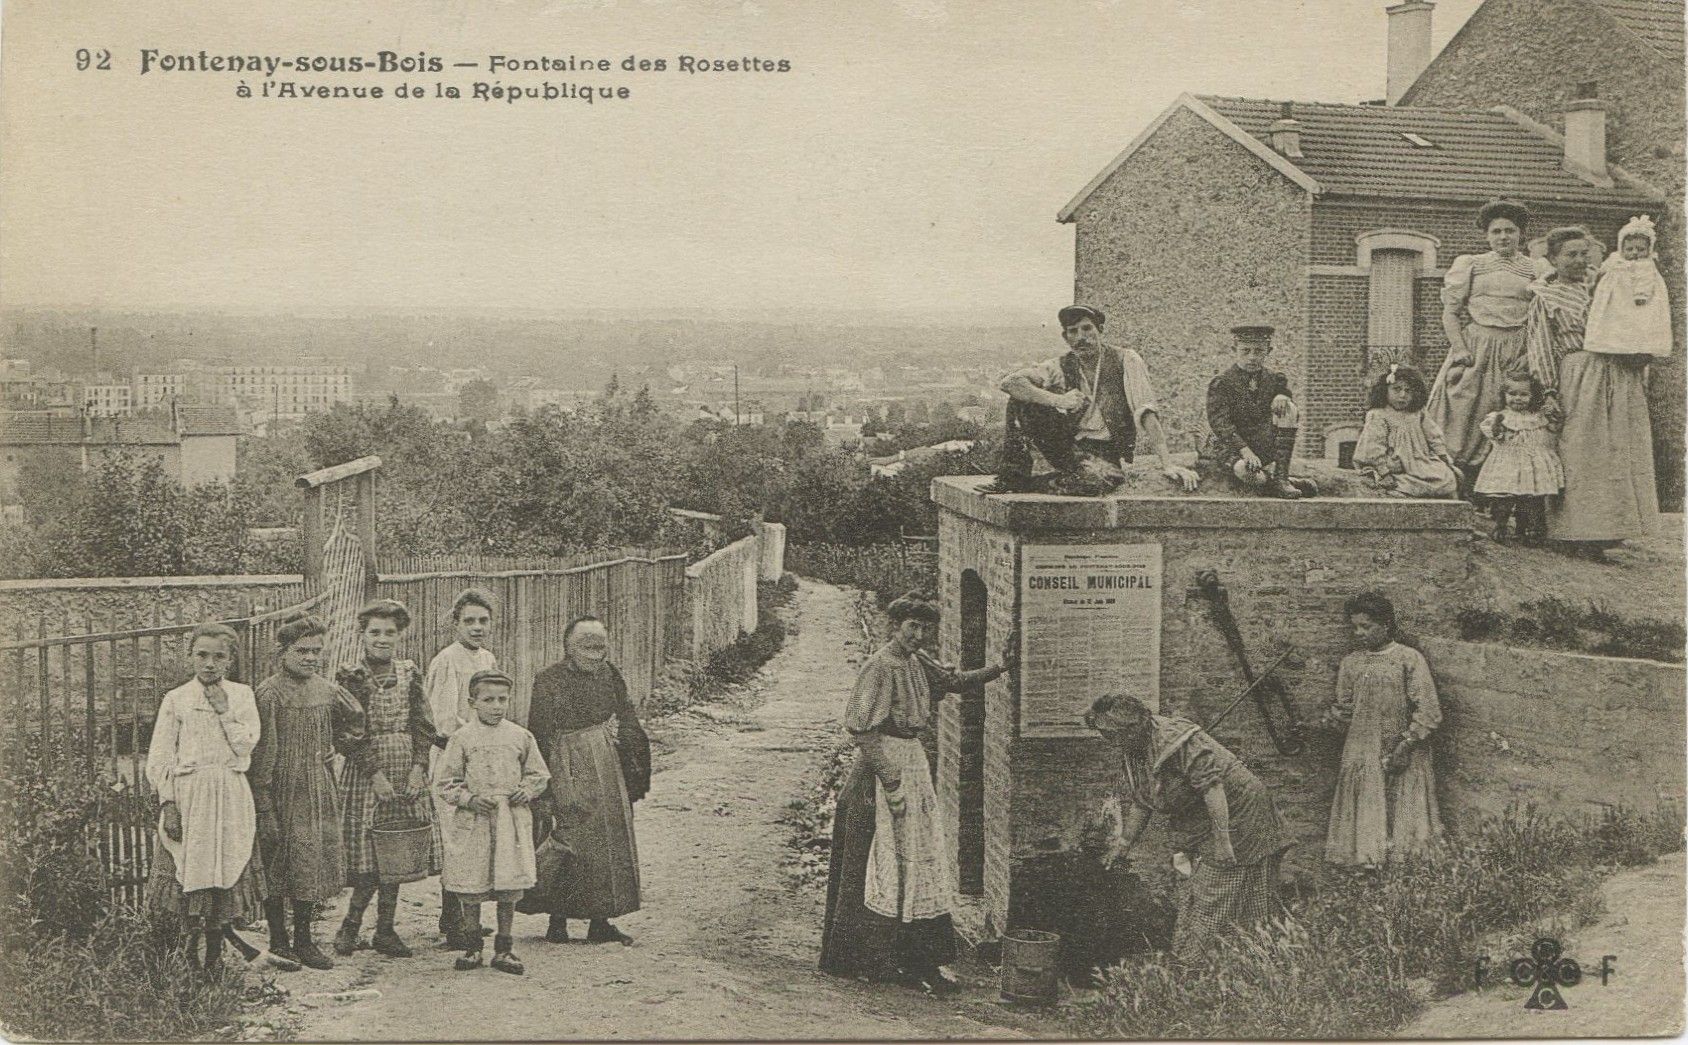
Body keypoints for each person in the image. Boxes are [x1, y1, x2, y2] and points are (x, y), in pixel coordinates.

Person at [819, 594, 1011, 995]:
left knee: (921, 860)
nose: (918, 636)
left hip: (913, 762)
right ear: (895, 625)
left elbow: (954, 682)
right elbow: (861, 731)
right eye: (912, 627)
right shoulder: (880, 666)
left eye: (924, 629)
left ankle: (918, 958)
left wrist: (1000, 667)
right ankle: (872, 959)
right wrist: (890, 781)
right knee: (881, 860)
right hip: (881, 768)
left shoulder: (916, 661)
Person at [1084, 691, 1286, 966]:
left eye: (1110, 734)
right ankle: (1211, 960)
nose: (1108, 741)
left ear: (1131, 728)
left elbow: (1212, 788)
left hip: (1240, 817)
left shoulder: (1176, 740)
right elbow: (1142, 801)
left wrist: (1223, 842)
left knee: (1214, 892)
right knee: (1195, 892)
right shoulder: (1136, 751)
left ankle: (1202, 965)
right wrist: (1124, 843)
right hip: (1205, 823)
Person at [1523, 226, 1659, 556]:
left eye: (1584, 254)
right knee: (1581, 452)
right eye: (1570, 254)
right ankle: (1575, 533)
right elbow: (1539, 345)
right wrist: (1550, 392)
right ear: (1553, 258)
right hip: (1578, 374)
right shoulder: (1545, 296)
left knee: (1616, 451)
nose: (1579, 260)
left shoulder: (1605, 284)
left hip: (1619, 372)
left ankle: (1611, 530)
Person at [249, 615, 368, 970]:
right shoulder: (268, 693)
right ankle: (278, 939)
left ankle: (304, 938)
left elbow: (357, 720)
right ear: (282, 653)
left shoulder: (327, 690)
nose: (310, 658)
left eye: (317, 651)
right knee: (278, 861)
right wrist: (264, 802)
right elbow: (261, 753)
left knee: (310, 861)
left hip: (317, 785)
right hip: (281, 789)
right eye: (302, 651)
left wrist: (338, 744)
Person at [143, 623, 264, 972]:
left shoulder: (242, 695)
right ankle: (188, 957)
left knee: (223, 869)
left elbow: (246, 745)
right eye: (202, 655)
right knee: (189, 871)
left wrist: (225, 710)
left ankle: (214, 958)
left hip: (229, 794)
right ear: (191, 657)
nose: (210, 664)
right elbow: (160, 756)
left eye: (219, 656)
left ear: (231, 660)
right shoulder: (176, 699)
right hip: (190, 795)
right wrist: (169, 804)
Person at [519, 616, 646, 945]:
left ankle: (599, 921)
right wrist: (544, 785)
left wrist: (631, 758)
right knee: (569, 838)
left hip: (605, 761)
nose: (595, 653)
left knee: (606, 840)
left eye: (600, 646)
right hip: (567, 762)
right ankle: (556, 919)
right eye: (586, 646)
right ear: (568, 648)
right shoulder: (549, 680)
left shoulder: (610, 675)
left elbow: (627, 713)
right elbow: (539, 732)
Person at [993, 304, 1200, 494]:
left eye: (1087, 329)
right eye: (1073, 332)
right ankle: (1012, 476)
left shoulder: (1125, 360)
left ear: (1099, 330)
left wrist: (1167, 464)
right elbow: (1010, 383)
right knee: (1020, 400)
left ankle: (1036, 484)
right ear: (1066, 338)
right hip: (1068, 446)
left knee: (1099, 481)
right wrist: (1059, 400)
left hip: (1104, 451)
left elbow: (1146, 411)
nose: (1081, 337)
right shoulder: (1060, 365)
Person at [335, 598, 445, 957]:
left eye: (390, 633)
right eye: (375, 632)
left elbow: (423, 725)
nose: (382, 639)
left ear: (400, 636)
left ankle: (385, 929)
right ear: (362, 635)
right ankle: (351, 924)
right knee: (370, 854)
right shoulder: (351, 676)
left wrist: (418, 768)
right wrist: (375, 774)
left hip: (405, 768)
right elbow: (349, 733)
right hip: (368, 772)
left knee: (396, 851)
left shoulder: (410, 672)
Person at [435, 670, 551, 975]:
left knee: (507, 883)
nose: (496, 706)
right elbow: (446, 782)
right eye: (488, 700)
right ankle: (473, 947)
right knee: (472, 882)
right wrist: (469, 799)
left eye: (502, 699)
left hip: (510, 820)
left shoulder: (519, 736)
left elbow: (538, 774)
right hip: (475, 820)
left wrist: (526, 791)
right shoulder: (462, 738)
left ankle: (505, 948)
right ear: (473, 702)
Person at [1426, 199, 1554, 471]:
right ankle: (1458, 477)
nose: (1503, 237)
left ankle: (1503, 484)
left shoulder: (1536, 268)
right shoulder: (1471, 264)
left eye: (1510, 230)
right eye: (1496, 231)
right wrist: (1460, 350)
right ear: (1486, 235)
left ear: (1521, 234)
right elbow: (1450, 313)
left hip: (1517, 349)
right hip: (1476, 347)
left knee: (1510, 412)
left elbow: (1542, 317)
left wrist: (1530, 354)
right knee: (1463, 412)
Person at [1318, 593, 1443, 866]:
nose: (1359, 633)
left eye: (1366, 626)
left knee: (1403, 812)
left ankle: (1404, 874)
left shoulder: (1408, 659)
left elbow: (1429, 711)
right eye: (1355, 627)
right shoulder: (1351, 663)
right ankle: (1367, 867)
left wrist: (1405, 746)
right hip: (1363, 749)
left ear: (1386, 625)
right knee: (1368, 806)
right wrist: (1331, 720)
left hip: (1403, 750)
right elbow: (1346, 708)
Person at [424, 588, 498, 943]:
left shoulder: (487, 659)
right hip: (452, 755)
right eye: (469, 621)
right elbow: (442, 718)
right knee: (455, 836)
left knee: (477, 836)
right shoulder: (447, 661)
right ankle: (452, 922)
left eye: (483, 621)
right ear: (455, 624)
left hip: (481, 755)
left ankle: (468, 916)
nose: (477, 627)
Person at [1195, 322, 1320, 499]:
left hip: (1262, 445)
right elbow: (1220, 423)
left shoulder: (1274, 380)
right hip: (1230, 447)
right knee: (1244, 471)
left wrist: (1283, 396)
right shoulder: (1222, 383)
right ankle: (1277, 482)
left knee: (1289, 408)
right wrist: (1244, 450)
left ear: (1268, 351)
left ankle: (1282, 477)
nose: (1252, 357)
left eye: (1258, 351)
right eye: (1246, 351)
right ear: (1234, 349)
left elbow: (1284, 393)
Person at [1472, 372, 1563, 544]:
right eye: (1512, 394)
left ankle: (1529, 530)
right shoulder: (1501, 416)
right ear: (1504, 395)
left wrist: (1552, 415)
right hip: (1508, 463)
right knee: (1504, 498)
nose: (1518, 399)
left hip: (1532, 463)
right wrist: (1498, 427)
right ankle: (1500, 526)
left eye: (1523, 394)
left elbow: (1553, 428)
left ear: (1533, 396)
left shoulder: (1537, 417)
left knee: (1531, 498)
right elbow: (1495, 436)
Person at [1352, 364, 1462, 499]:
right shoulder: (1378, 415)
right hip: (1395, 464)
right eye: (1397, 389)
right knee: (1393, 482)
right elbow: (1373, 446)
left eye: (1408, 391)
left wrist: (1443, 457)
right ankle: (1399, 492)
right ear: (1385, 391)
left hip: (1419, 462)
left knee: (1447, 477)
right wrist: (1384, 472)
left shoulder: (1418, 413)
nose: (1403, 395)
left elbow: (1434, 436)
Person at [1586, 214, 1673, 362]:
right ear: (1621, 248)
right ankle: (1607, 343)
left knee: (1635, 322)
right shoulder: (1615, 259)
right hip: (1614, 298)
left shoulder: (1646, 264)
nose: (1634, 253)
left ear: (1649, 249)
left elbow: (1645, 281)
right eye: (1629, 249)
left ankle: (1635, 347)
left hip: (1635, 299)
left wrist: (1642, 294)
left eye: (1640, 249)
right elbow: (1602, 270)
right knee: (1611, 321)